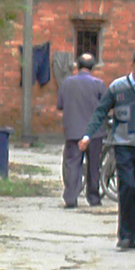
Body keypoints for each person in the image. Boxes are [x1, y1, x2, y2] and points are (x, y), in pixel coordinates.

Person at [90, 49, 135, 249]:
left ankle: (132, 235)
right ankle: (123, 234)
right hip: (123, 144)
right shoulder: (118, 87)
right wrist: (88, 134)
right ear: (133, 65)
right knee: (128, 186)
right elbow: (101, 110)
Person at [57, 50, 106, 208]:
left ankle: (71, 197)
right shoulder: (98, 84)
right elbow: (105, 107)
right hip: (94, 133)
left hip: (73, 131)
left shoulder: (67, 83)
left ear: (77, 66)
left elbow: (60, 105)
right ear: (92, 67)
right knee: (94, 165)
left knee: (72, 164)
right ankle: (93, 197)